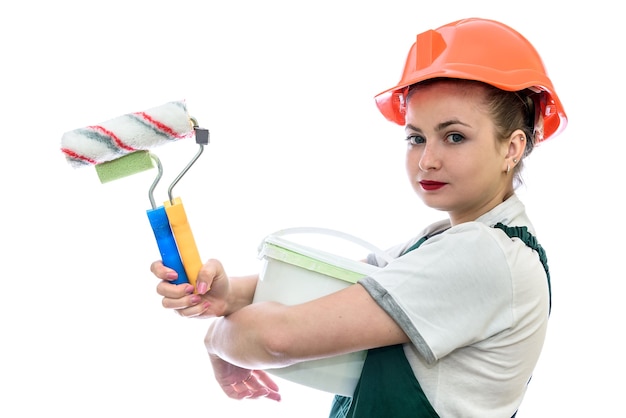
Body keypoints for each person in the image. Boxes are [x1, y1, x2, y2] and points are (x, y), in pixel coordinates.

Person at [150, 17, 567, 417]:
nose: (427, 160)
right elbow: (332, 290)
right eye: (416, 138)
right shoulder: (445, 241)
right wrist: (227, 295)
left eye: (454, 136)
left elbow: (275, 338)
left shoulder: (483, 254)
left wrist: (217, 339)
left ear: (512, 148)